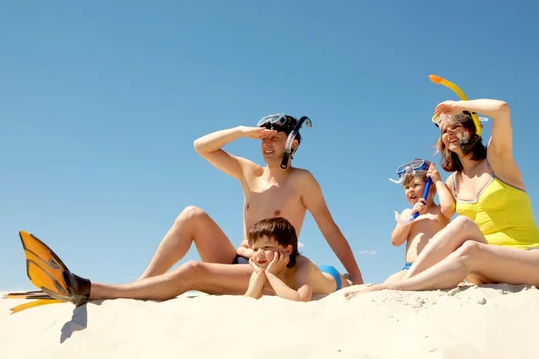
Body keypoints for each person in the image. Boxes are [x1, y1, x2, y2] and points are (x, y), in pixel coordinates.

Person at [19, 113, 363, 305]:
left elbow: (330, 229)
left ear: (293, 143)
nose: (266, 143)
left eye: (275, 137)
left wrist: (358, 280)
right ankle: (141, 287)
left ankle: (98, 289)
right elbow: (202, 147)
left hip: (271, 268)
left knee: (193, 271)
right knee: (191, 214)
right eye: (263, 138)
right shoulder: (248, 171)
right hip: (239, 257)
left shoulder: (302, 181)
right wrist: (242, 131)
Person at [344, 98, 539, 299]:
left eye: (456, 126)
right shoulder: (453, 182)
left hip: (529, 260)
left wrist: (458, 106)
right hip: (484, 266)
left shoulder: (497, 161)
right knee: (462, 224)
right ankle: (404, 280)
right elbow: (445, 213)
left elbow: (501, 109)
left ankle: (396, 286)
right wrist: (431, 189)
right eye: (444, 130)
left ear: (473, 129)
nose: (449, 133)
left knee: (470, 248)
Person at [244, 216, 351, 301]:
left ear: (287, 250)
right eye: (255, 249)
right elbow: (247, 301)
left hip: (333, 278)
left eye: (266, 247)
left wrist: (271, 275)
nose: (259, 253)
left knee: (351, 285)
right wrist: (260, 276)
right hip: (314, 275)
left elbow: (302, 299)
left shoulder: (303, 264)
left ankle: (348, 279)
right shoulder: (260, 272)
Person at [386, 159, 454, 282]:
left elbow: (449, 208)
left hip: (437, 267)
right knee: (390, 281)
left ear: (431, 188)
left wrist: (437, 181)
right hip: (411, 268)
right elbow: (395, 241)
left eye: (415, 185)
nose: (410, 190)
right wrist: (411, 217)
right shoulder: (407, 213)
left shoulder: (440, 211)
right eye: (407, 187)